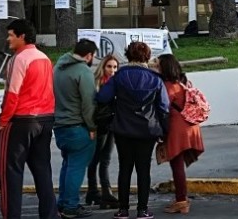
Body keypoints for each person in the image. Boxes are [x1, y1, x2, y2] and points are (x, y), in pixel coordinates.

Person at [97, 42, 169, 219]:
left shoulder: (119, 76)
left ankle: (123, 209)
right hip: (147, 130)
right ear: (147, 56)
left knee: (125, 168)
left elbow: (103, 97)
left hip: (123, 129)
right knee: (144, 169)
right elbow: (164, 107)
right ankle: (142, 210)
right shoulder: (155, 78)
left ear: (128, 55)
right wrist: (165, 132)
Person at [0, 19, 57, 219]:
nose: (8, 39)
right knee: (42, 171)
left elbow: (12, 94)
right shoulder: (44, 58)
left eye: (11, 35)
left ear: (21, 36)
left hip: (21, 120)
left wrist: (3, 121)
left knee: (10, 173)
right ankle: (50, 215)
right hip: (45, 118)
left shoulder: (18, 59)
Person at [53, 39, 99, 219]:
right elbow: (89, 103)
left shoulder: (58, 67)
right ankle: (71, 206)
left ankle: (63, 202)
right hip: (78, 127)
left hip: (60, 126)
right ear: (89, 55)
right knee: (76, 168)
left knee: (67, 165)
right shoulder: (83, 71)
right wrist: (92, 126)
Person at [157, 55, 205, 214]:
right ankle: (181, 198)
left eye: (158, 65)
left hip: (177, 127)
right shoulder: (183, 82)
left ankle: (181, 201)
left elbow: (163, 109)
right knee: (179, 163)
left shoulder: (167, 86)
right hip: (190, 125)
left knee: (176, 164)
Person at [86, 55, 119, 209]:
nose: (112, 70)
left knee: (105, 159)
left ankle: (105, 192)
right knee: (95, 159)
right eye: (109, 66)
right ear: (103, 67)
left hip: (111, 125)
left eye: (115, 67)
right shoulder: (97, 82)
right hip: (99, 125)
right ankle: (94, 190)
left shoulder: (116, 82)